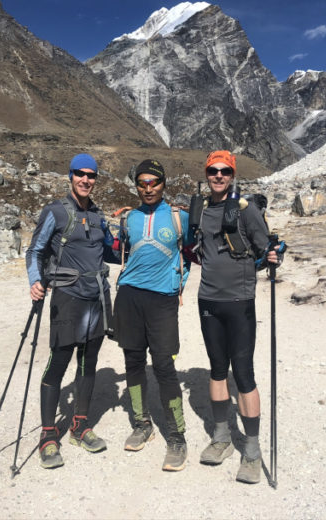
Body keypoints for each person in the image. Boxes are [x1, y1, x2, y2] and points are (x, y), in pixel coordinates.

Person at [194, 150, 283, 484]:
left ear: (232, 175)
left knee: (243, 375)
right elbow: (191, 248)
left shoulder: (246, 211)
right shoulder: (199, 211)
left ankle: (252, 450)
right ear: (206, 174)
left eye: (225, 171)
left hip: (240, 302)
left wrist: (276, 255)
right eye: (213, 171)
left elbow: (267, 249)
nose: (218, 176)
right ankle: (221, 439)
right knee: (218, 370)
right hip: (208, 301)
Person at [25, 153, 118, 469]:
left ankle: (79, 426)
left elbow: (111, 251)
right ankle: (48, 436)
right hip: (68, 298)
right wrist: (36, 281)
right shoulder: (55, 212)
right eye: (80, 174)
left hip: (97, 300)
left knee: (88, 364)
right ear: (70, 175)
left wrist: (136, 239)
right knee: (58, 363)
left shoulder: (98, 216)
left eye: (91, 175)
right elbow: (35, 250)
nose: (85, 180)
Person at [112, 159, 194, 472]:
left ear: (163, 184)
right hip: (129, 295)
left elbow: (199, 249)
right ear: (136, 185)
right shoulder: (129, 217)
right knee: (132, 361)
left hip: (163, 300)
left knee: (163, 365)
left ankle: (176, 436)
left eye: (154, 182)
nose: (148, 188)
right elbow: (115, 249)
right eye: (142, 183)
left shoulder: (179, 217)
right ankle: (142, 423)